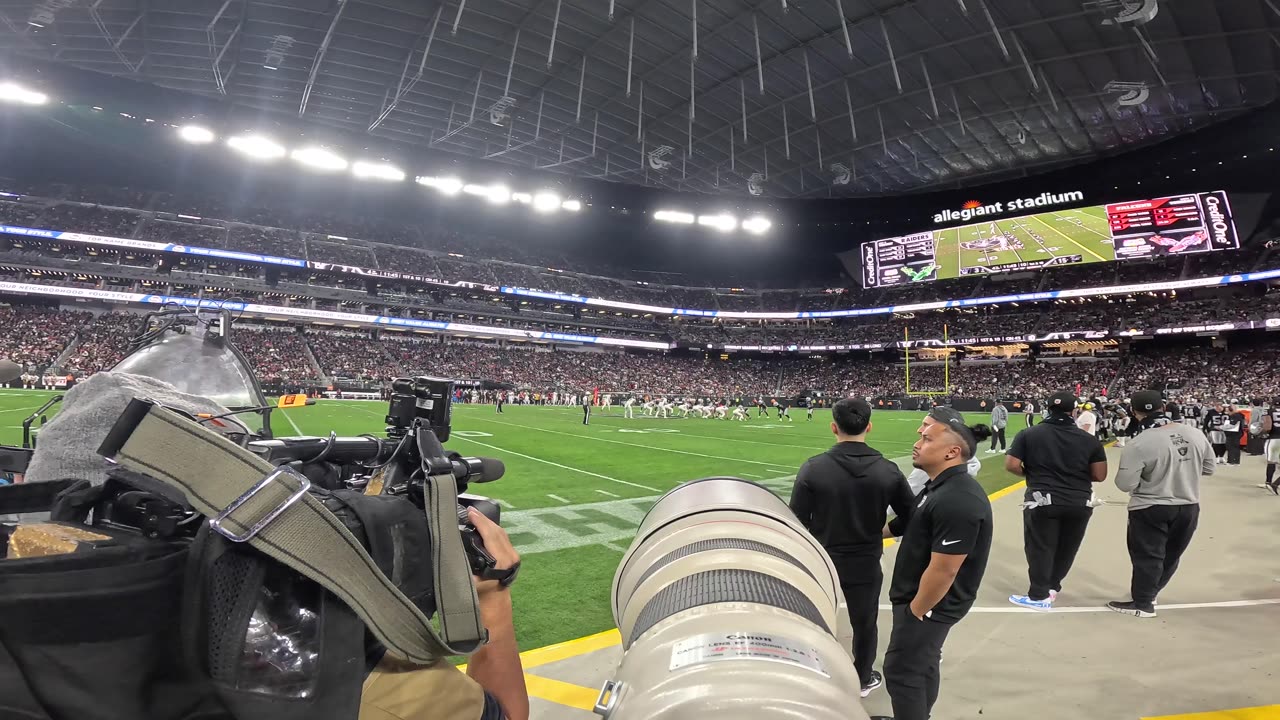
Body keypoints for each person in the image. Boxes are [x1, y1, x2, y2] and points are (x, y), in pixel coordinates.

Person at [790, 398, 916, 700]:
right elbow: (913, 516)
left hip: (822, 560)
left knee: (813, 619)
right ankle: (861, 677)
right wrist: (883, 531)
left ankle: (811, 673)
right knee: (864, 622)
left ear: (834, 427)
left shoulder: (813, 468)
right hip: (865, 559)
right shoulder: (888, 471)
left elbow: (796, 520)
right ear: (869, 427)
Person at [883, 407, 993, 720]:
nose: (918, 441)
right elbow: (907, 524)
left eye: (928, 438)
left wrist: (916, 610)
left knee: (902, 670)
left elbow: (945, 569)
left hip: (929, 604)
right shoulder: (938, 486)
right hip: (921, 599)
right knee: (923, 662)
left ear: (952, 452)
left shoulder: (959, 499)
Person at [1109, 390, 1215, 618]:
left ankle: (1143, 603)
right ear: (1163, 407)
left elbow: (1125, 484)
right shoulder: (1194, 433)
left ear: (1133, 411)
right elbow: (1209, 469)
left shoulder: (1139, 443)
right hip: (1188, 504)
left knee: (1148, 555)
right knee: (1172, 553)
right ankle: (1152, 592)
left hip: (1150, 505)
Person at [1004, 390, 1107, 611]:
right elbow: (1099, 475)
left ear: (1048, 409)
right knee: (1067, 547)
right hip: (1079, 500)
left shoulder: (1028, 434)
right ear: (1074, 410)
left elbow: (1012, 465)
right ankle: (1052, 587)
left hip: (1043, 498)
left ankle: (1038, 595)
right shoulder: (1089, 439)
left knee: (1041, 546)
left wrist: (1033, 475)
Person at [1259, 399, 1280, 494]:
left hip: (1274, 439)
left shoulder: (1269, 411)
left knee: (1271, 461)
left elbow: (1267, 427)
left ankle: (1269, 483)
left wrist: (1261, 432)